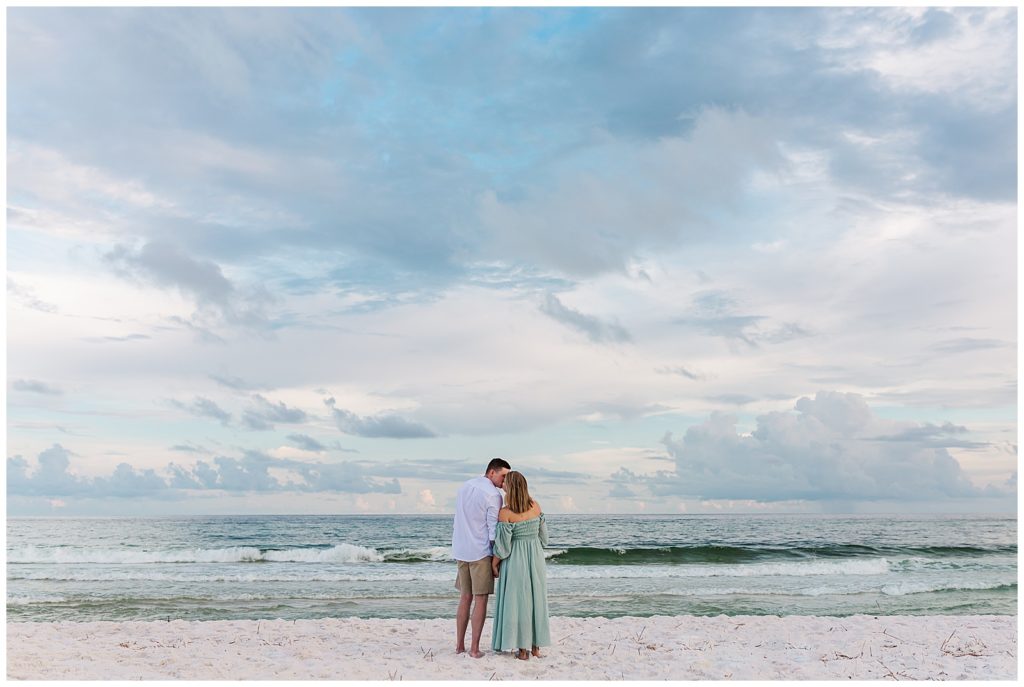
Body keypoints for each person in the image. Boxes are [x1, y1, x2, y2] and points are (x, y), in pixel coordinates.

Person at [452, 458, 510, 658]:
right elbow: (493, 530)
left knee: (465, 598)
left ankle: (459, 646)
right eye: (503, 476)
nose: (505, 481)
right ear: (491, 473)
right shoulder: (493, 495)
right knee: (481, 599)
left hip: (461, 549)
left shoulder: (465, 486)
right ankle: (474, 649)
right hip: (480, 551)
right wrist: (497, 557)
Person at [490, 471, 550, 660]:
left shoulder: (505, 513)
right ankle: (535, 648)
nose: (503, 485)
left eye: (505, 483)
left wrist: (494, 564)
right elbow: (544, 538)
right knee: (536, 600)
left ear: (511, 487)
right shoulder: (536, 506)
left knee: (518, 602)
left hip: (515, 560)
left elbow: (503, 548)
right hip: (536, 558)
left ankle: (522, 651)